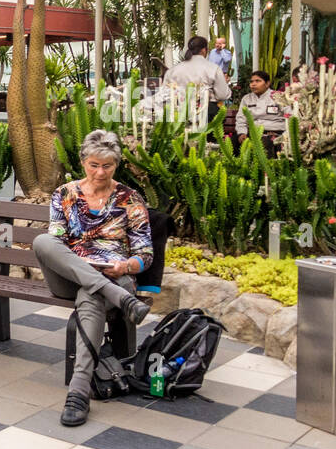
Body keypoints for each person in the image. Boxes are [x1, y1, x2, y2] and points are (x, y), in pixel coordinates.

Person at [32, 130, 154, 428]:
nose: (100, 172)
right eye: (94, 165)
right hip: (69, 276)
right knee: (42, 242)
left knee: (92, 294)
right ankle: (121, 300)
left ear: (117, 165)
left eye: (108, 166)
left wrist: (126, 267)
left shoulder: (129, 198)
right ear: (83, 161)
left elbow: (145, 254)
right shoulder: (65, 193)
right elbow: (57, 243)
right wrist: (88, 266)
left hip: (115, 276)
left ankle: (78, 392)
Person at [163, 35, 231, 126]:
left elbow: (165, 95)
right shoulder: (213, 68)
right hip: (206, 117)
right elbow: (223, 95)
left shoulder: (172, 70)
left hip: (177, 117)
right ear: (204, 50)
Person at [236, 69, 285, 154]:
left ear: (267, 83)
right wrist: (241, 133)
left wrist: (285, 135)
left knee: (265, 144)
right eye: (251, 82)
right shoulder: (247, 98)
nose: (253, 84)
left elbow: (289, 115)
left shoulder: (278, 97)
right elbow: (241, 119)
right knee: (233, 142)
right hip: (251, 133)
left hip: (273, 133)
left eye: (258, 81)